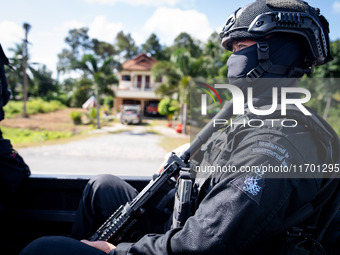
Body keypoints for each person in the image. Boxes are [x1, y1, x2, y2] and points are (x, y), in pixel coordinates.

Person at [20, 0, 340, 254]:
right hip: (188, 224)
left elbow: (205, 242)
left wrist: (117, 250)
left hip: (197, 243)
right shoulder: (263, 116)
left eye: (240, 47)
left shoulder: (273, 148)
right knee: (101, 188)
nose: (232, 59)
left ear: (276, 52)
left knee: (45, 249)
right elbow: (222, 173)